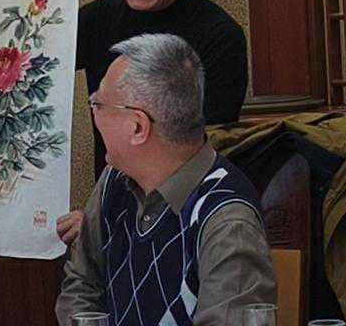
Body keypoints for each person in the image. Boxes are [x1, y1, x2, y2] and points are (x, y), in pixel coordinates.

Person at [52, 0, 249, 244]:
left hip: (183, 229)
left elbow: (205, 155)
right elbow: (29, 58)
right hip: (107, 231)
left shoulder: (220, 36)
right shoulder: (102, 17)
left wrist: (107, 219)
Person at [55, 34, 275, 326]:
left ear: (137, 126)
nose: (93, 112)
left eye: (99, 104)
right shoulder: (115, 178)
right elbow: (81, 285)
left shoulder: (227, 223)